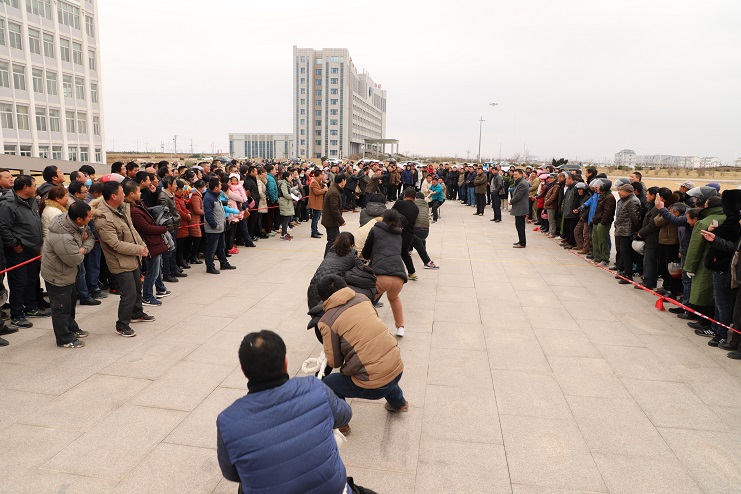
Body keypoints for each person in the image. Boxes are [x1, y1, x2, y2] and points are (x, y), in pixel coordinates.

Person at [216, 330, 376, 494]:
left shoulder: (227, 421)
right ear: (285, 363)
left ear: (244, 371)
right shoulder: (315, 388)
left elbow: (231, 473)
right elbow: (345, 415)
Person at [317, 274, 408, 434]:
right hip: (397, 367)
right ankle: (399, 403)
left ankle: (341, 424)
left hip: (375, 386)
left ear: (323, 298)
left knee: (329, 383)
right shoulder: (363, 299)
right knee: (381, 362)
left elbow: (334, 362)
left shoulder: (327, 321)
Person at [92, 181, 154, 337]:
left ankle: (137, 313)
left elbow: (131, 230)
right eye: (122, 193)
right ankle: (122, 325)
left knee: (137, 287)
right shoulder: (103, 218)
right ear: (114, 196)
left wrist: (142, 245)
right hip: (119, 261)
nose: (125, 195)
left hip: (132, 256)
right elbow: (115, 244)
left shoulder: (121, 208)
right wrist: (138, 249)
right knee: (129, 293)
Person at [41, 201, 95, 348]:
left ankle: (72, 328)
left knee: (70, 305)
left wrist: (82, 248)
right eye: (89, 216)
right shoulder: (63, 237)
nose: (91, 218)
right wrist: (82, 248)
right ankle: (64, 338)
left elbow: (90, 237)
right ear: (79, 219)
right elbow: (74, 259)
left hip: (69, 274)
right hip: (57, 276)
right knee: (61, 309)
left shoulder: (74, 224)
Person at [0, 175, 50, 329]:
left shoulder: (31, 200)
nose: (36, 188)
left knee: (31, 280)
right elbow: (3, 227)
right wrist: (14, 243)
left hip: (32, 248)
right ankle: (16, 315)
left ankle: (31, 307)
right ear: (25, 187)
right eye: (34, 185)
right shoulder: (8, 204)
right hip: (18, 251)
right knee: (19, 282)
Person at [362, 209, 409, 335]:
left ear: (384, 218)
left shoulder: (375, 230)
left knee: (366, 301)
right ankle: (400, 327)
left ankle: (368, 326)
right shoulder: (398, 234)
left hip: (381, 276)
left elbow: (366, 253)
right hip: (399, 276)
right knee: (394, 298)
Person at [125, 181, 169, 307]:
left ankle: (159, 289)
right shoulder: (133, 211)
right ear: (131, 193)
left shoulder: (138, 204)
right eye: (138, 191)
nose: (140, 194)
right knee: (152, 271)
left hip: (153, 241)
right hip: (148, 242)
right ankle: (147, 297)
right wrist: (163, 229)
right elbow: (146, 228)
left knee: (156, 268)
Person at [203, 177, 237, 275]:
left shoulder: (215, 195)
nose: (221, 186)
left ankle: (224, 263)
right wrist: (215, 225)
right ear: (215, 187)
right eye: (219, 184)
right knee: (211, 248)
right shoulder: (208, 198)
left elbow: (218, 204)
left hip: (220, 227)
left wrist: (225, 203)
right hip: (214, 229)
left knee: (221, 247)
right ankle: (210, 266)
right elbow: (208, 214)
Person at [392, 188, 420, 280]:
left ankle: (393, 271)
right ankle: (412, 272)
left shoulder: (399, 203)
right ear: (415, 198)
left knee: (393, 252)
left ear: (404, 196)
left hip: (396, 232)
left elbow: (391, 214)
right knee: (404, 253)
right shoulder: (416, 208)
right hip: (409, 234)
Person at [591, 180, 616, 266]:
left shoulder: (609, 197)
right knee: (595, 240)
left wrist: (602, 222)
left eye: (598, 186)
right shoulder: (602, 196)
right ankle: (597, 257)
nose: (597, 187)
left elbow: (608, 212)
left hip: (603, 223)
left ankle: (604, 258)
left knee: (602, 241)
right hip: (597, 221)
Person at [321, 173, 346, 257]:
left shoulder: (335, 189)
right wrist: (341, 221)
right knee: (332, 241)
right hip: (331, 221)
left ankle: (332, 258)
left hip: (331, 221)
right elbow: (334, 208)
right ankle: (327, 259)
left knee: (335, 240)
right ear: (343, 180)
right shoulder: (334, 192)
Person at [509, 169, 529, 248]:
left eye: (516, 175)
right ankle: (521, 240)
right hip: (519, 207)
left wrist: (511, 201)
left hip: (521, 207)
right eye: (514, 175)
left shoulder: (522, 183)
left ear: (521, 174)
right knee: (518, 225)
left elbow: (518, 196)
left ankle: (522, 243)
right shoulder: (520, 182)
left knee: (520, 226)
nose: (514, 176)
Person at [308, 169, 326, 238]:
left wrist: (323, 183)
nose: (323, 176)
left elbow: (320, 188)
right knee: (315, 218)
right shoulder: (314, 182)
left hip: (318, 202)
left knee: (317, 217)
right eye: (322, 175)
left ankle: (316, 230)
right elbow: (316, 192)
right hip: (315, 202)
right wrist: (323, 190)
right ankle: (313, 232)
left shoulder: (318, 181)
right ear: (319, 175)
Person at [277, 171, 295, 240]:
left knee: (287, 218)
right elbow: (285, 194)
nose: (291, 177)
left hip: (287, 202)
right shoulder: (283, 184)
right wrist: (293, 197)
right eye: (290, 176)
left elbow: (289, 191)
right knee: (285, 219)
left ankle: (285, 232)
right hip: (284, 202)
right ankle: (283, 234)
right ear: (286, 177)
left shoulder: (287, 184)